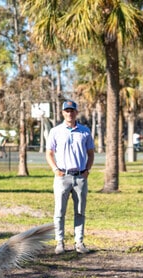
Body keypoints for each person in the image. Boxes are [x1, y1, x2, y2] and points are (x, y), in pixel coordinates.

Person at [46, 99, 95, 254]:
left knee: (80, 211)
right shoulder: (55, 131)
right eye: (66, 110)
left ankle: (79, 242)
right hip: (62, 176)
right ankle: (59, 242)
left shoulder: (85, 131)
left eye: (72, 110)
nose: (69, 113)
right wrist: (55, 170)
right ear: (62, 113)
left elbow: (91, 153)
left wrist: (87, 170)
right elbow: (49, 153)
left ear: (76, 112)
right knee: (59, 211)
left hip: (80, 177)